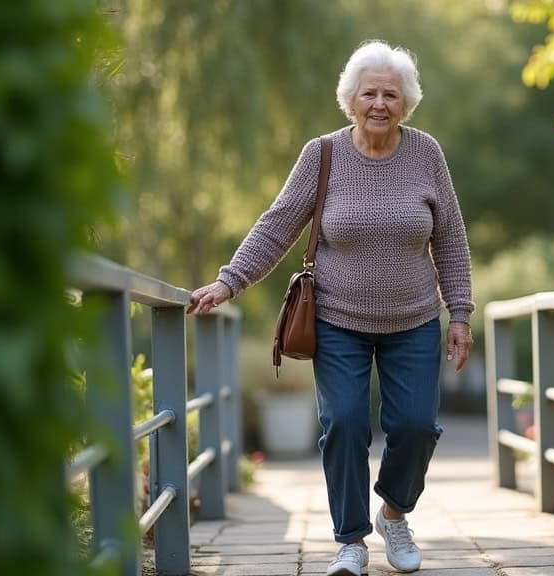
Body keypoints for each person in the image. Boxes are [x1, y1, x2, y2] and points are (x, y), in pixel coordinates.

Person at [187, 40, 473, 576]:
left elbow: (452, 239)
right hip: (337, 319)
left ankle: (393, 513)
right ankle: (351, 541)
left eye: (392, 93)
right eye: (370, 93)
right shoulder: (322, 154)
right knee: (342, 422)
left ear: (407, 102)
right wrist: (228, 283)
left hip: (414, 319)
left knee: (415, 427)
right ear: (351, 99)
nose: (380, 103)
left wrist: (459, 313)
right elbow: (276, 225)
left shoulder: (427, 153)